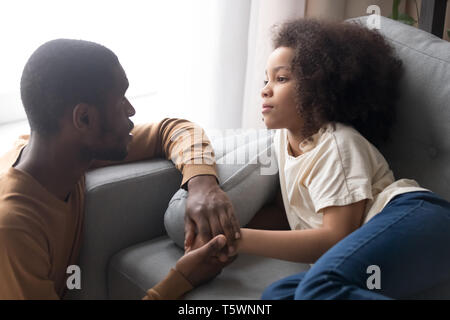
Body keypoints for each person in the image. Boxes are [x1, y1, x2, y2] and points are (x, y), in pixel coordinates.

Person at [220, 18, 450, 299]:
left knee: (319, 287)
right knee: (277, 295)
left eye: (281, 79)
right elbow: (292, 217)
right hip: (374, 255)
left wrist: (236, 239)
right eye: (266, 79)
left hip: (418, 217)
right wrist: (220, 231)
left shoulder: (338, 143)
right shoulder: (284, 142)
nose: (265, 89)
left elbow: (335, 237)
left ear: (318, 87)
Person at [0, 39, 239, 300]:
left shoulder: (59, 156)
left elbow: (174, 129)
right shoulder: (14, 228)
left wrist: (202, 183)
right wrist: (180, 280)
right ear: (84, 118)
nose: (131, 109)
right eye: (120, 100)